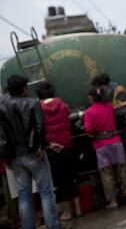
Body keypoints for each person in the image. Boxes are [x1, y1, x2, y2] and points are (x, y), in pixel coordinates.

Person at [0, 75, 60, 229]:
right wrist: (40, 147)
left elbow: (2, 134)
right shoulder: (33, 103)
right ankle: (52, 226)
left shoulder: (3, 107)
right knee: (46, 192)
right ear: (23, 88)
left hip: (15, 157)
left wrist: (5, 156)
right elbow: (40, 127)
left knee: (24, 196)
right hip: (34, 154)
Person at [36, 82, 82, 221]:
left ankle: (67, 212)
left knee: (59, 181)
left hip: (52, 149)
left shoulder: (38, 109)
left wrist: (46, 144)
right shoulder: (64, 107)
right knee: (71, 178)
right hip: (67, 146)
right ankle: (78, 209)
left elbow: (39, 129)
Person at [84, 86, 126, 209]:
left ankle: (113, 201)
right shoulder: (110, 107)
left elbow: (89, 130)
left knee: (107, 174)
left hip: (101, 146)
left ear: (91, 98)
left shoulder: (89, 112)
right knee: (123, 170)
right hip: (116, 142)